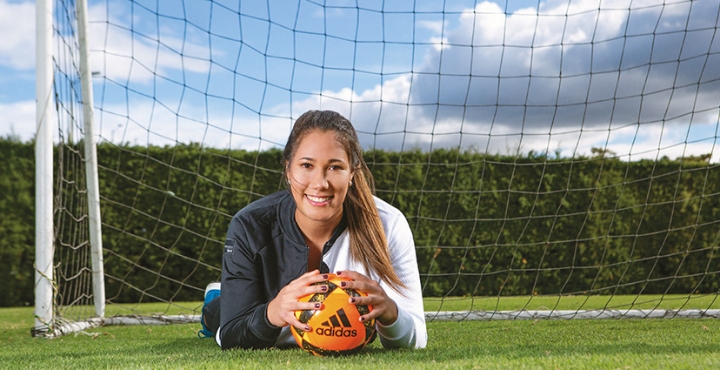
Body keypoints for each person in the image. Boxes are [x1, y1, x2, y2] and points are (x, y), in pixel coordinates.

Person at [199, 110, 427, 350]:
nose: (320, 183)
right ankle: (216, 300)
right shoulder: (250, 225)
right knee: (218, 313)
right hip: (254, 307)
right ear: (288, 169)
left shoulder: (388, 224)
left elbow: (417, 337)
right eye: (307, 165)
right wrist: (271, 313)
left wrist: (391, 313)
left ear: (352, 173)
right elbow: (230, 335)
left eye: (335, 167)